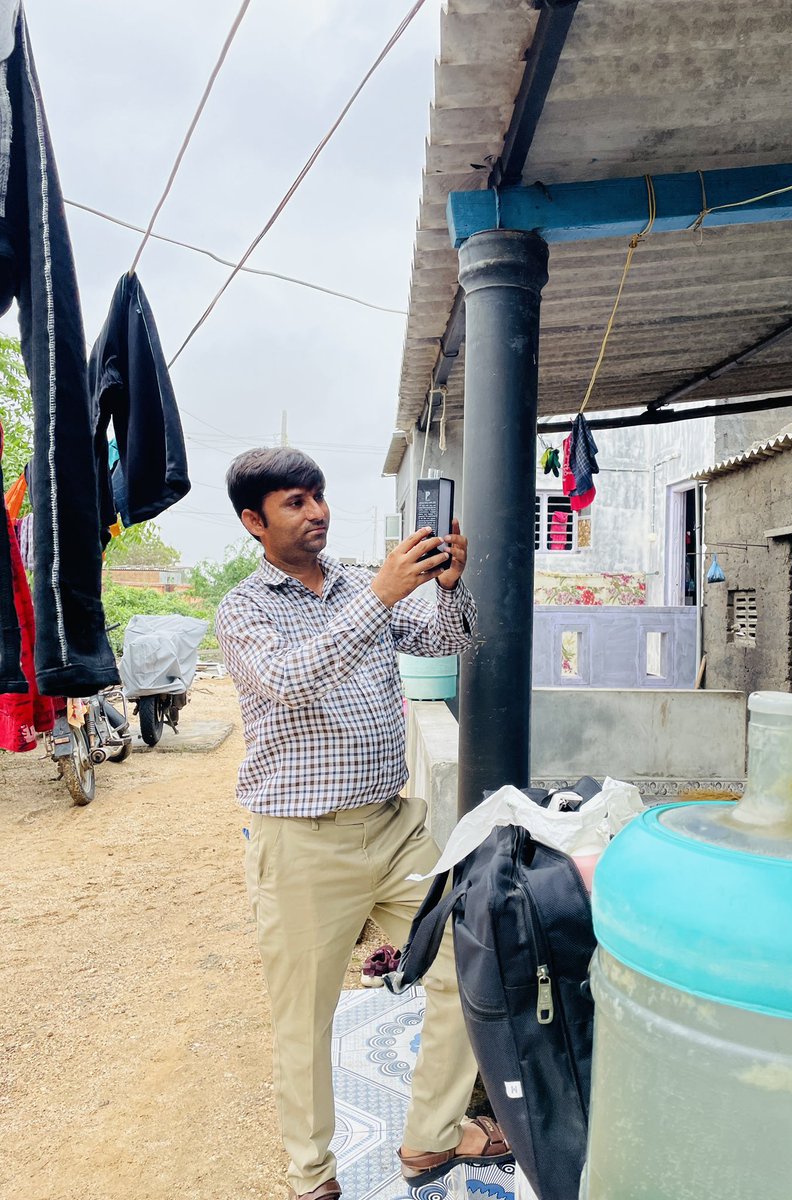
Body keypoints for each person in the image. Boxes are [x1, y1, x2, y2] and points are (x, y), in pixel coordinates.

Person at [216, 447, 511, 1200]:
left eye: (317, 496)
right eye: (293, 502)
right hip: (304, 841)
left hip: (395, 828)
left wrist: (447, 587)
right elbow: (288, 680)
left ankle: (431, 1137)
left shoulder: (355, 582)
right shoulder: (246, 609)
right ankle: (312, 1177)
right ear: (254, 522)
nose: (315, 511)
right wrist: (380, 597)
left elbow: (454, 641)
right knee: (304, 1019)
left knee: (468, 960)